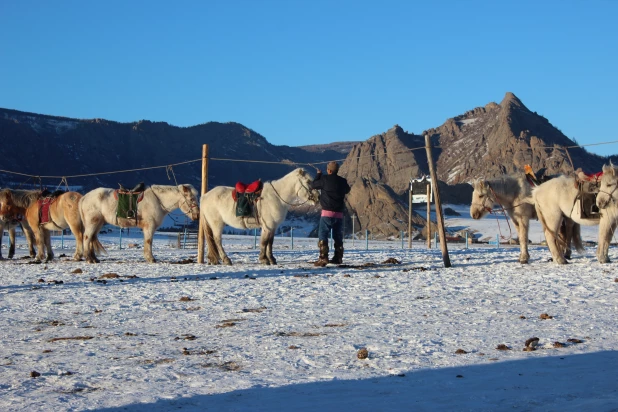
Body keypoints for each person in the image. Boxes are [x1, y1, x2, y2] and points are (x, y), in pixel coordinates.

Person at [310, 161, 351, 265]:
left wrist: (318, 174)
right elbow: (347, 190)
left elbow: (313, 185)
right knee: (337, 236)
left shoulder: (324, 179)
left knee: (323, 234)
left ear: (328, 170)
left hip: (327, 213)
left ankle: (323, 258)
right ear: (337, 170)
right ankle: (338, 258)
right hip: (339, 214)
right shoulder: (343, 181)